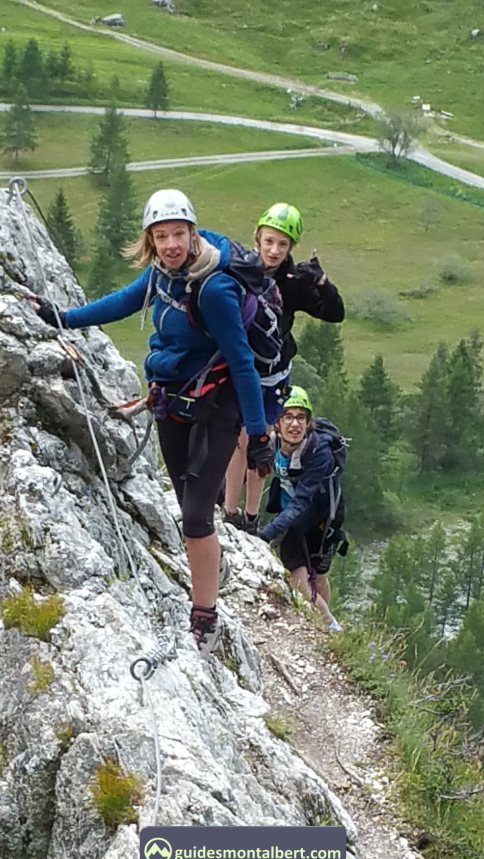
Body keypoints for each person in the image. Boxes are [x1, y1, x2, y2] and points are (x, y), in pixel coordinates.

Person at [33, 189, 273, 655]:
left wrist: (259, 434)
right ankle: (213, 564)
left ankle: (204, 617)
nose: (170, 245)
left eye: (178, 234)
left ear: (193, 231)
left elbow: (243, 362)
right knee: (187, 501)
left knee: (197, 515)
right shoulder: (162, 275)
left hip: (219, 403)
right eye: (160, 236)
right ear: (150, 240)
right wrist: (63, 318)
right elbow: (124, 300)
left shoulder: (215, 288)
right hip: (174, 400)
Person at [223, 203, 345, 532]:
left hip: (272, 373)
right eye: (269, 242)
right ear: (257, 239)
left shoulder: (294, 281)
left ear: (291, 247)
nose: (275, 250)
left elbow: (334, 313)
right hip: (238, 367)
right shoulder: (238, 269)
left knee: (258, 439)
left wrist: (321, 282)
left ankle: (248, 515)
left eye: (283, 244)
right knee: (239, 438)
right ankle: (230, 510)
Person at [257, 386, 345, 633]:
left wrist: (267, 533)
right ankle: (330, 626)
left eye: (301, 417)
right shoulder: (272, 443)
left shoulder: (319, 453)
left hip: (324, 521)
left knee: (318, 575)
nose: (294, 424)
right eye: (288, 416)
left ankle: (328, 622)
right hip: (295, 519)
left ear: (308, 423)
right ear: (277, 422)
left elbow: (301, 500)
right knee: (298, 580)